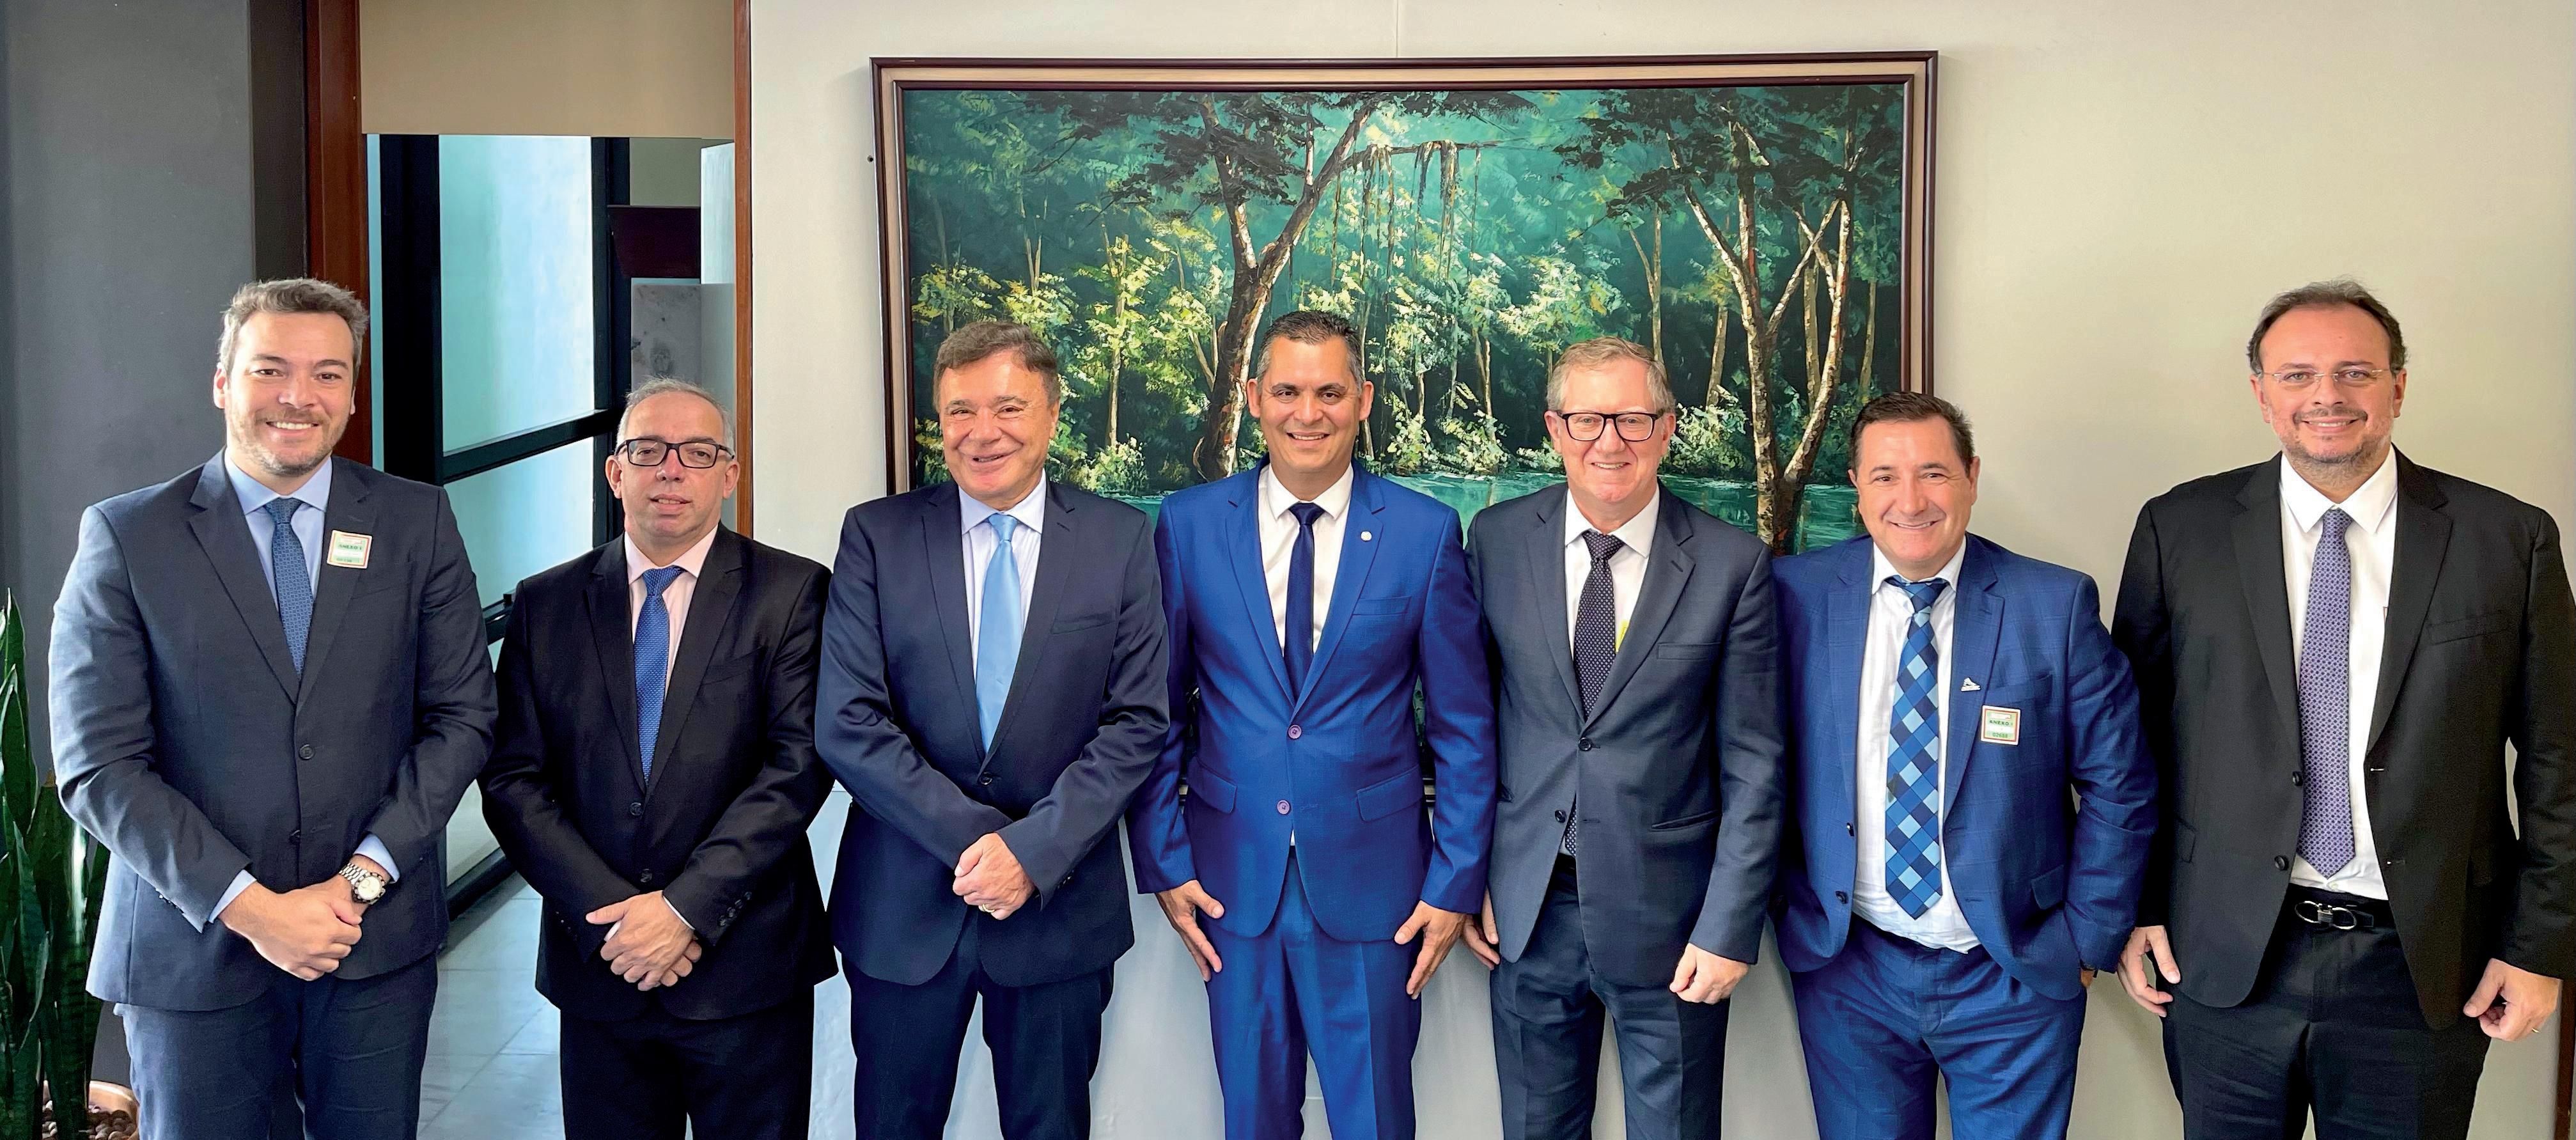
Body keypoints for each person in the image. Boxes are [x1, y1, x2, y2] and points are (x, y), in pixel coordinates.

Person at [2113, 279, 2576, 1139]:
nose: (2326, 395)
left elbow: (2560, 758)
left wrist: (2539, 946)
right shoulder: (2180, 529)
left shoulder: (2507, 538)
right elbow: (2129, 746)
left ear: (2398, 385)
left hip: (2422, 962)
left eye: (2355, 372)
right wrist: (2132, 906)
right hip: (2224, 953)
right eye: (2297, 375)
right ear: (2261, 393)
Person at [48, 278, 495, 1139]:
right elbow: (98, 765)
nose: (299, 395)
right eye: (270, 369)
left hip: (370, 944)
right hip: (192, 956)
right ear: (223, 382)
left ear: (352, 394)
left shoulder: (417, 520)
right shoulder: (128, 535)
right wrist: (253, 908)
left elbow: (463, 716)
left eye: (328, 374)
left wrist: (358, 882)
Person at [1127, 309, 1496, 1140]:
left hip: (1378, 890)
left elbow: (1464, 727)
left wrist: (1455, 879)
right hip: (1230, 882)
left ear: (1363, 400)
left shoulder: (1424, 532)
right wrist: (1162, 857)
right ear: (1254, 396)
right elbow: (1156, 708)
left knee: (1376, 1122)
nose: (1308, 412)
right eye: (1288, 391)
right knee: (1252, 1119)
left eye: (1330, 392)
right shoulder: (1188, 524)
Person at [816, 320, 1168, 1140]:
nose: (982, 433)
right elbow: (848, 721)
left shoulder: (1120, 539)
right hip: (903, 910)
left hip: (1059, 913)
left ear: (1053, 413)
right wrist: (988, 846)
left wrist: (1033, 854)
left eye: (1008, 407)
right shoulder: (876, 536)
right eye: (959, 411)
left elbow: (1137, 721)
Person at [1772, 391, 2156, 1139]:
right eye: (1885, 476)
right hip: (1851, 970)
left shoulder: (2054, 604)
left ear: (1972, 477)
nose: (1910, 500)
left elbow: (2121, 781)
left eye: (1934, 473)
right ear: (1855, 485)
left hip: (2014, 970)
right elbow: (1757, 765)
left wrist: (2086, 939)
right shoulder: (1796, 596)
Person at [479, 379, 834, 1139]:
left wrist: (684, 910)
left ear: (729, 474)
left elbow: (797, 766)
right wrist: (615, 921)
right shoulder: (546, 603)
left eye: (697, 452)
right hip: (601, 966)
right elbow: (512, 780)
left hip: (745, 964)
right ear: (616, 472)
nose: (671, 469)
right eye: (647, 451)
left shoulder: (792, 592)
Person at [1456, 336, 1784, 1140]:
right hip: (1528, 909)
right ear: (1554, 428)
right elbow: (1470, 725)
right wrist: (1467, 876)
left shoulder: (1733, 563)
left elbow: (1756, 766)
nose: (1610, 441)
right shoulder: (1495, 540)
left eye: (1633, 419)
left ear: (1667, 428)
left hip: (1673, 920)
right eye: (1587, 419)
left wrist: (1728, 925)